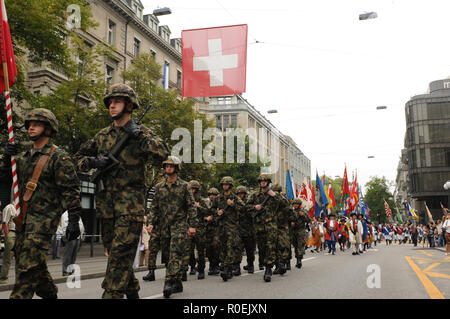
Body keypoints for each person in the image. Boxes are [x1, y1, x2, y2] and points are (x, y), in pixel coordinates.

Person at [76, 83, 169, 299]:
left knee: (118, 260)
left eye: (116, 101)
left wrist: (139, 136)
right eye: (110, 101)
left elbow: (162, 154)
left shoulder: (141, 132)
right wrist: (92, 161)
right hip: (106, 208)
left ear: (129, 105)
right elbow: (76, 159)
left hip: (130, 207)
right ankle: (132, 293)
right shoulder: (102, 135)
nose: (111, 105)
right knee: (120, 259)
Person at [1, 108, 82, 299]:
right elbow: (3, 176)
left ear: (48, 128)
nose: (30, 127)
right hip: (22, 222)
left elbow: (71, 191)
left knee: (26, 273)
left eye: (36, 124)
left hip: (42, 225)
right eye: (29, 124)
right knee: (35, 270)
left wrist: (73, 221)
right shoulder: (22, 158)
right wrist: (6, 157)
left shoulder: (59, 157)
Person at [147, 156, 198, 298]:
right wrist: (150, 222)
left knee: (175, 253)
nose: (168, 168)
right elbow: (154, 207)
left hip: (179, 226)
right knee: (168, 255)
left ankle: (168, 282)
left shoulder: (184, 186)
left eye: (171, 166)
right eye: (166, 166)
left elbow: (191, 207)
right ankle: (177, 283)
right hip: (164, 227)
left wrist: (192, 225)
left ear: (176, 168)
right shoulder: (159, 187)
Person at [245, 174, 279, 282]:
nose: (262, 182)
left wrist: (274, 196)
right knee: (262, 248)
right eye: (261, 181)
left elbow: (284, 205)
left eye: (265, 181)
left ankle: (268, 269)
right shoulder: (255, 195)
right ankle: (265, 264)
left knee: (270, 247)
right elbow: (246, 207)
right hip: (259, 226)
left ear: (268, 182)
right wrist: (255, 207)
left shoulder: (274, 195)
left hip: (271, 226)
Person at [212, 176, 244, 282]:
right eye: (223, 184)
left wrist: (233, 205)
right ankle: (226, 265)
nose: (224, 186)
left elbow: (243, 209)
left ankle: (227, 268)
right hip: (221, 226)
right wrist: (217, 212)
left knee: (230, 246)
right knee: (220, 246)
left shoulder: (235, 198)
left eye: (227, 184)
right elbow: (211, 210)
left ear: (230, 186)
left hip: (232, 226)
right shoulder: (218, 198)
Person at [188, 180, 209, 280]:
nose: (192, 190)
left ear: (197, 190)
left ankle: (201, 270)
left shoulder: (201, 200)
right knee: (189, 249)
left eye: (193, 189)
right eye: (190, 188)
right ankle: (192, 266)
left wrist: (198, 206)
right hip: (189, 227)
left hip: (200, 228)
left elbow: (207, 212)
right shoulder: (186, 199)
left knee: (200, 250)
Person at [271, 184, 291, 275]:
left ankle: (283, 263)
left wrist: (276, 196)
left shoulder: (283, 200)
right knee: (273, 247)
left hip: (282, 227)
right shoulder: (270, 200)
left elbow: (287, 208)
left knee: (283, 245)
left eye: (276, 192)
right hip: (272, 226)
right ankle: (278, 265)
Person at [236, 186, 256, 274]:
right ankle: (237, 267)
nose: (240, 195)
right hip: (238, 230)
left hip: (248, 230)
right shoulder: (234, 202)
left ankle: (250, 265)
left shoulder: (248, 202)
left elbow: (247, 210)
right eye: (238, 194)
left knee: (249, 250)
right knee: (237, 249)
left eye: (242, 194)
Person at [61, 211, 85, 276]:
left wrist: (82, 234)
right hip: (71, 235)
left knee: (74, 255)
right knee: (68, 254)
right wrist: (65, 235)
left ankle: (70, 269)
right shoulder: (66, 214)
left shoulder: (77, 213)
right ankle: (65, 270)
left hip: (78, 236)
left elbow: (80, 224)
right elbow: (64, 224)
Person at [0, 202, 18, 284]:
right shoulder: (10, 207)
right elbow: (5, 222)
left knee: (21, 257)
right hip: (11, 232)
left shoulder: (23, 206)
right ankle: (3, 278)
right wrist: (7, 236)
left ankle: (20, 278)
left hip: (20, 233)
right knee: (8, 256)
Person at [290, 198, 311, 268]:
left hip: (300, 230)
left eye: (297, 204)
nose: (295, 205)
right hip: (293, 230)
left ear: (299, 205)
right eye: (294, 204)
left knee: (300, 245)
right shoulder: (291, 212)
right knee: (295, 245)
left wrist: (303, 215)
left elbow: (308, 220)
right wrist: (291, 223)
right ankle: (297, 258)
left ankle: (299, 260)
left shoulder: (303, 212)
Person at [205, 188, 220, 276]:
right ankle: (211, 265)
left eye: (214, 195)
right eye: (210, 194)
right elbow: (200, 214)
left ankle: (216, 265)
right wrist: (206, 218)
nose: (212, 196)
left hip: (217, 227)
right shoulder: (205, 204)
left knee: (216, 245)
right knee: (208, 247)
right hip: (207, 228)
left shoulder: (220, 204)